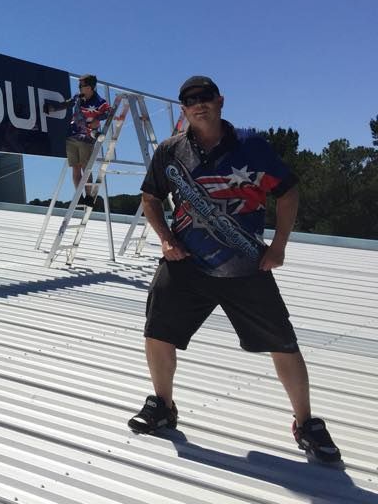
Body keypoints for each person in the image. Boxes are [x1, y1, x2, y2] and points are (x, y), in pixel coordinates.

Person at [128, 75, 342, 465]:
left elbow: (288, 191)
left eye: (205, 97)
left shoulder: (252, 146)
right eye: (190, 99)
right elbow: (150, 196)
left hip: (245, 263)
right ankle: (162, 406)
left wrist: (278, 246)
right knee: (158, 330)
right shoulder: (170, 151)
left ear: (220, 101)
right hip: (186, 264)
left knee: (283, 342)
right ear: (183, 108)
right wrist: (165, 239)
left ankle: (306, 423)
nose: (198, 104)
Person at [58, 74, 111, 205]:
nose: (80, 87)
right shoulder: (77, 98)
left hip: (86, 138)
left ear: (90, 87)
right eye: (79, 85)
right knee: (75, 167)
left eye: (82, 85)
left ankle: (88, 196)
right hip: (71, 136)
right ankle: (79, 196)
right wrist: (52, 107)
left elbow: (109, 112)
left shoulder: (99, 101)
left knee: (86, 168)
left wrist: (97, 119)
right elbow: (68, 103)